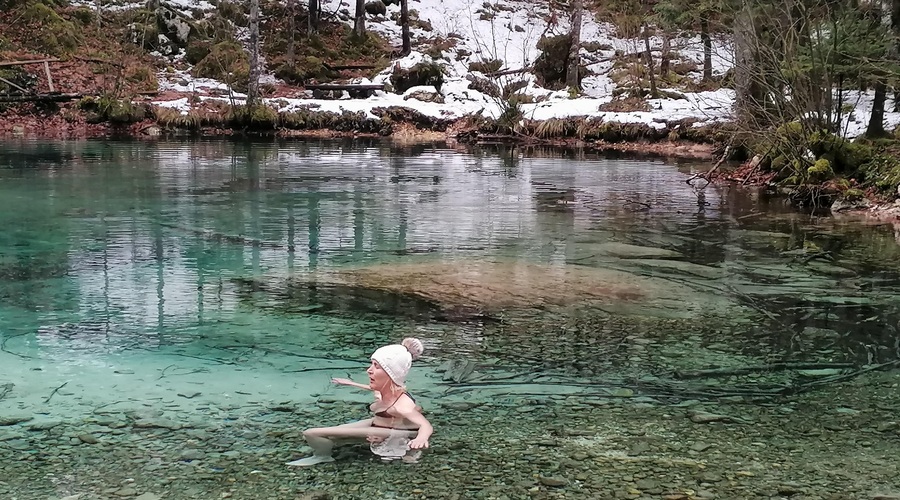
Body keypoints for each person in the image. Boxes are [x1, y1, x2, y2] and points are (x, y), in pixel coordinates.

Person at [286, 337, 433, 466]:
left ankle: (322, 456)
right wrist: (350, 383)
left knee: (311, 433)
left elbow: (425, 425)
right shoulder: (385, 391)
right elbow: (371, 387)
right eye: (371, 364)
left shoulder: (402, 406)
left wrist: (421, 438)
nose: (368, 370)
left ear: (391, 374)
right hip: (376, 423)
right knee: (334, 431)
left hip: (390, 431)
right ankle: (334, 446)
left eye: (376, 366)